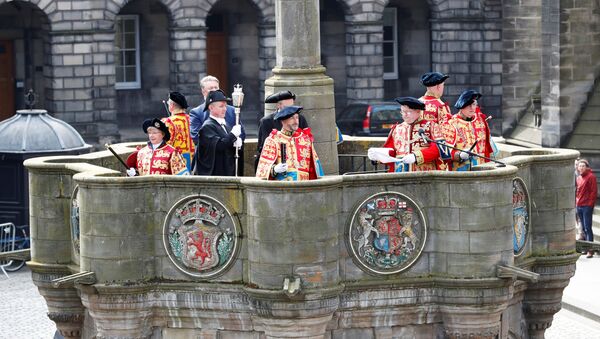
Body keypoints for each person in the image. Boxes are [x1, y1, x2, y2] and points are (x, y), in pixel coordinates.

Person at [367, 97, 449, 172]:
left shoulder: (432, 126)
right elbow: (393, 151)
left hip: (424, 172)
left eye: (408, 112)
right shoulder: (397, 128)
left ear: (418, 111)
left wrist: (416, 156)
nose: (404, 115)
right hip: (400, 172)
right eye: (402, 112)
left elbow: (440, 149)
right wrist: (378, 156)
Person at [190, 75, 245, 175]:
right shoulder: (200, 117)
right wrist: (232, 136)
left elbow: (239, 132)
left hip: (227, 164)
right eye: (211, 88)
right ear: (203, 91)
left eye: (216, 88)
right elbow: (199, 139)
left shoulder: (230, 114)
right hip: (212, 164)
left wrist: (237, 141)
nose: (224, 109)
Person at [256, 105, 323, 181]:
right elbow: (263, 169)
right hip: (283, 189)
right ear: (283, 121)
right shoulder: (273, 140)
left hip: (304, 188)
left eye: (297, 117)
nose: (296, 121)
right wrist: (274, 169)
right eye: (292, 118)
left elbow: (316, 168)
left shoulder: (305, 139)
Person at [442, 90, 495, 171]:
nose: (472, 108)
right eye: (468, 105)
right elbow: (445, 152)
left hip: (482, 171)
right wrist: (460, 155)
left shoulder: (481, 121)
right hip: (461, 173)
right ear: (461, 105)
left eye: (474, 104)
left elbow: (487, 148)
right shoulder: (451, 124)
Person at [255, 90, 309, 170]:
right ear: (278, 105)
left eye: (292, 106)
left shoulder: (300, 119)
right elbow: (263, 149)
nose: (291, 111)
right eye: (288, 107)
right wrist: (274, 168)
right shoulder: (267, 121)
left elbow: (307, 142)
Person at [162, 91, 195, 171]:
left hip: (177, 162)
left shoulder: (168, 122)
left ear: (172, 106)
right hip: (195, 162)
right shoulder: (193, 119)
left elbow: (165, 145)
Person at [576, 159, 598, 258]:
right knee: (582, 228)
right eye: (579, 166)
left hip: (587, 206)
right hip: (579, 205)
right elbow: (577, 192)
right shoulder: (578, 178)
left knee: (587, 228)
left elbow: (594, 192)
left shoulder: (591, 177)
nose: (581, 168)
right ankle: (585, 248)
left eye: (583, 166)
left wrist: (590, 204)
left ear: (587, 167)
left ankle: (590, 250)